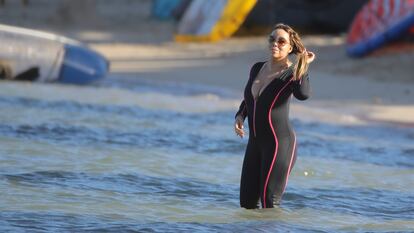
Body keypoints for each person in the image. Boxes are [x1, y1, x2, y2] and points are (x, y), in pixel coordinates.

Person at [234, 23, 315, 209]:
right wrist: (240, 115)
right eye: (272, 39)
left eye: (281, 41)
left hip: (280, 143)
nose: (275, 44)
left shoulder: (291, 74)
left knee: (269, 203)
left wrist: (303, 66)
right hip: (255, 143)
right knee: (246, 204)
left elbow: (303, 94)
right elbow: (250, 99)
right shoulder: (257, 68)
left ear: (290, 47)